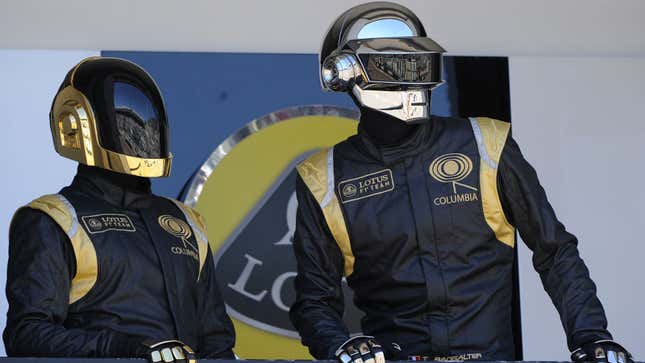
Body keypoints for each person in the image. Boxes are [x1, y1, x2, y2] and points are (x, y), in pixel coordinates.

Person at [288, 3, 633, 363]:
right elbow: (314, 301)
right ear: (343, 74)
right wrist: (340, 347)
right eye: (392, 66)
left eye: (418, 64)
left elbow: (555, 250)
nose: (411, 78)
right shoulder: (323, 177)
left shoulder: (487, 143)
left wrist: (591, 337)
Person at [4, 57, 235, 361]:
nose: (140, 135)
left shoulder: (186, 221)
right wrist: (123, 350)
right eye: (123, 123)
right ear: (75, 126)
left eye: (146, 123)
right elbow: (27, 333)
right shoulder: (54, 220)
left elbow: (216, 343)